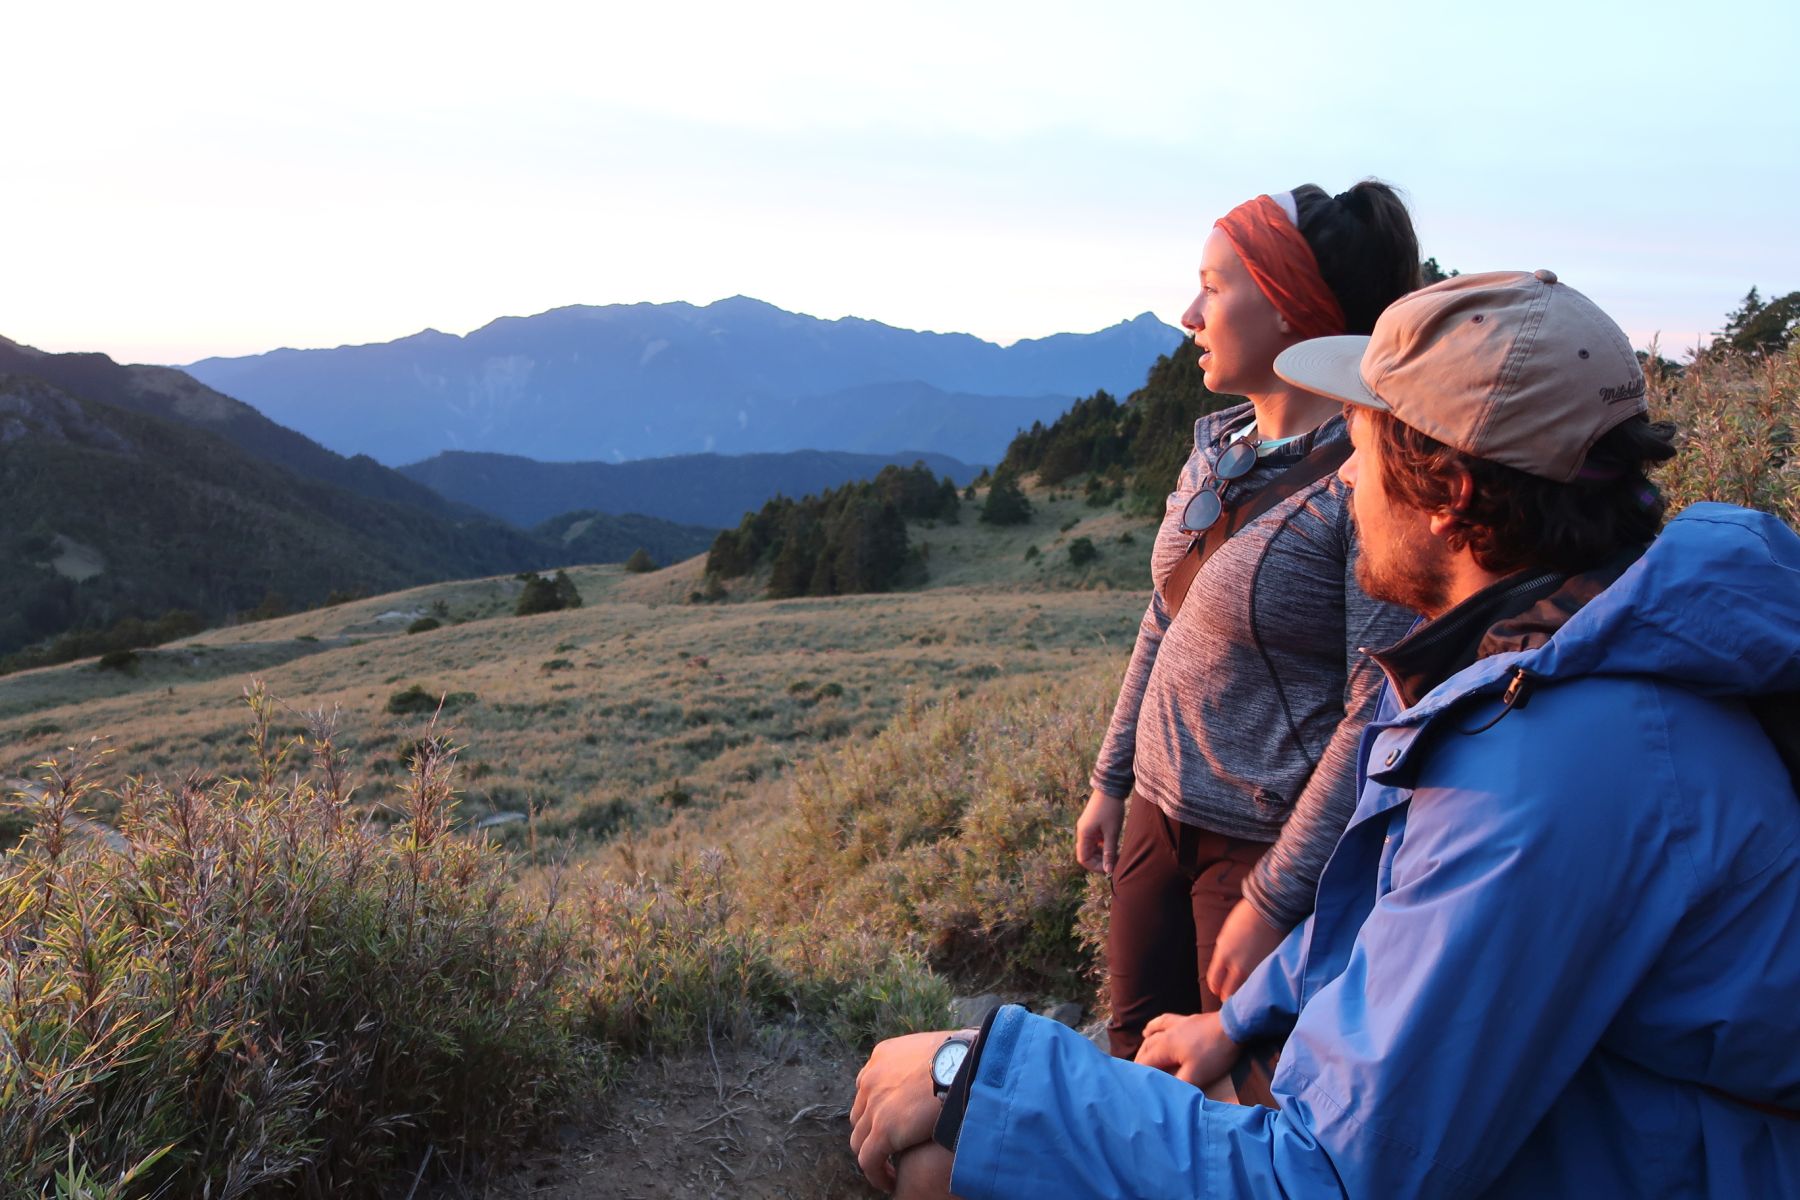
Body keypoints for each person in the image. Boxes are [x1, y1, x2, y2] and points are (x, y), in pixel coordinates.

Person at [852, 269, 1800, 1197]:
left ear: (1450, 495)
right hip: (1590, 1108)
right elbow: (1411, 913)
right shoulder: (1530, 659)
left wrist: (971, 1076)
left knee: (946, 1154)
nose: (1344, 478)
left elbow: (1329, 1179)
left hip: (1647, 1158)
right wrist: (1246, 1017)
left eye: (1362, 441)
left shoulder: (1547, 766)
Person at [1076, 181, 1423, 1058]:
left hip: (1260, 845)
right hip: (1157, 812)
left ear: (1288, 309)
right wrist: (1112, 780)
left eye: (1214, 286)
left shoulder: (1366, 480)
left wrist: (1276, 894)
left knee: (1234, 1092)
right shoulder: (1219, 452)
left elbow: (1374, 706)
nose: (1190, 312)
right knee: (1130, 1056)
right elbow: (1164, 618)